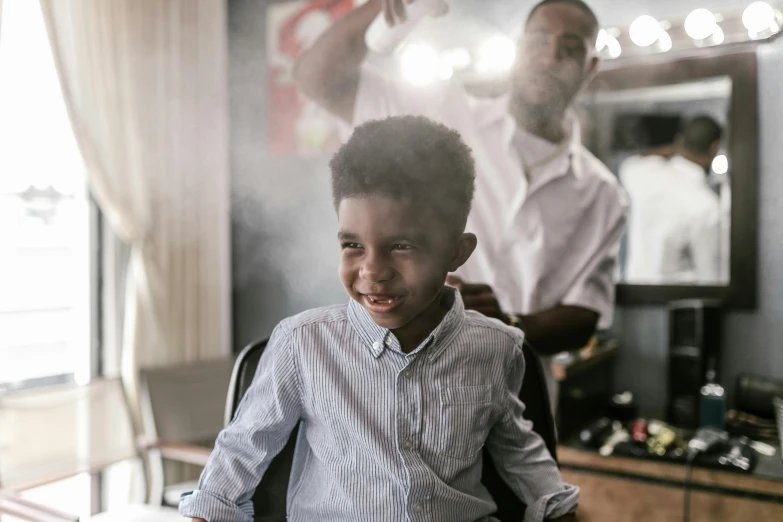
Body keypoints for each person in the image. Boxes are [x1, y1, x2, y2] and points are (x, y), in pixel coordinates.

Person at [179, 116, 578, 521]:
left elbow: (519, 449)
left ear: (457, 252)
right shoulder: (302, 344)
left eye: (401, 246)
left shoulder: (497, 347)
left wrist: (556, 507)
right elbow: (242, 451)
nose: (373, 271)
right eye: (353, 245)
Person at [293, 0, 628, 408]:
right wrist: (387, 5)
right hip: (406, 390)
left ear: (590, 68)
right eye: (539, 40)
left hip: (517, 401)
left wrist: (507, 324)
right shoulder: (439, 117)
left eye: (570, 48)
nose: (550, 56)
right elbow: (317, 79)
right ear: (519, 48)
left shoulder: (601, 193)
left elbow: (582, 316)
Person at [620, 115, 724, 284]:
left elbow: (635, 161)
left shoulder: (638, 174)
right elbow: (711, 278)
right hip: (677, 301)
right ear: (714, 148)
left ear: (679, 142)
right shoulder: (706, 205)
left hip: (634, 296)